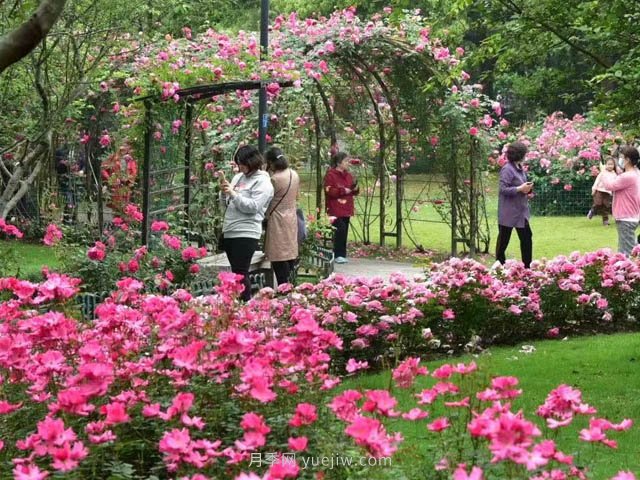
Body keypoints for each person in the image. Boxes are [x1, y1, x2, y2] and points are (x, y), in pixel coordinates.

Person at [220, 145, 274, 301]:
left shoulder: (263, 182)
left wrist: (233, 193)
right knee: (236, 273)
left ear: (252, 161)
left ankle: (244, 306)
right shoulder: (238, 178)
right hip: (230, 229)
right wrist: (224, 193)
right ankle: (237, 305)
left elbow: (253, 207)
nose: (240, 167)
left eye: (243, 163)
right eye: (238, 163)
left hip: (247, 232)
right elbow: (228, 204)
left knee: (240, 272)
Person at [264, 147, 300, 285]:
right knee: (289, 253)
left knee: (278, 255)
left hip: (277, 218)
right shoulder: (293, 174)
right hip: (291, 217)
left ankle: (283, 286)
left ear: (271, 163)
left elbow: (267, 200)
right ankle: (291, 284)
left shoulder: (274, 179)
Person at [496, 142, 533, 268]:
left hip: (521, 211)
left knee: (527, 237)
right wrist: (519, 189)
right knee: (503, 241)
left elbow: (522, 185)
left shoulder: (519, 168)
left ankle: (527, 267)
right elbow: (503, 189)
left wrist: (528, 189)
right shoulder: (507, 169)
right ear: (520, 154)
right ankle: (499, 266)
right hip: (508, 212)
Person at [599, 145, 640, 256]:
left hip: (626, 218)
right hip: (632, 216)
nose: (619, 160)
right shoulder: (636, 173)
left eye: (622, 157)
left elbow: (610, 185)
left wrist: (603, 172)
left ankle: (628, 273)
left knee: (625, 254)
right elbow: (620, 178)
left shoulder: (628, 177)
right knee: (632, 248)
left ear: (627, 160)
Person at [324, 151, 359, 264]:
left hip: (347, 208)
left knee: (344, 231)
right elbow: (329, 191)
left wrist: (355, 188)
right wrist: (343, 190)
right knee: (340, 229)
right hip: (335, 208)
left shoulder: (348, 175)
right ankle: (338, 254)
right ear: (339, 163)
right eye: (346, 161)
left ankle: (342, 254)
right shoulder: (330, 175)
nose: (348, 163)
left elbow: (352, 190)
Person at [587, 157, 616, 226]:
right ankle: (592, 211)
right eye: (608, 164)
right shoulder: (602, 173)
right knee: (598, 203)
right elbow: (597, 180)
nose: (610, 166)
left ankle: (605, 221)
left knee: (606, 206)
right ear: (605, 165)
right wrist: (594, 189)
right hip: (599, 190)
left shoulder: (614, 174)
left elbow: (615, 183)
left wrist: (613, 192)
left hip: (608, 192)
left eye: (612, 164)